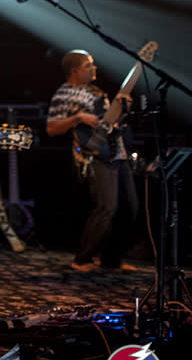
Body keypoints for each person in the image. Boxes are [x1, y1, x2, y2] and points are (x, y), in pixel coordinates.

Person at [46, 50, 138, 272]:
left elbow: (109, 123)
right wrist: (78, 117)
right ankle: (82, 258)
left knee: (130, 208)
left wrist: (123, 109)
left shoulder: (97, 91)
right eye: (88, 66)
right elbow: (52, 128)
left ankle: (111, 259)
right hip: (95, 156)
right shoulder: (65, 94)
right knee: (106, 208)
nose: (94, 69)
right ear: (75, 70)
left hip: (118, 153)